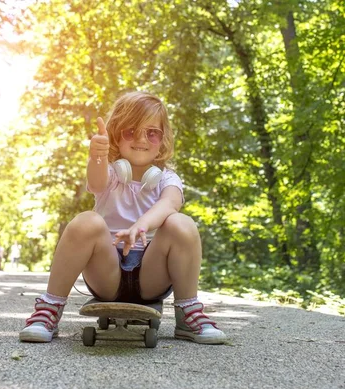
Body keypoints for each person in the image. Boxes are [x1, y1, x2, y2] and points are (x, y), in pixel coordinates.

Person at [19, 91, 227, 345]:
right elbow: (95, 183)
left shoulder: (167, 179)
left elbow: (170, 203)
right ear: (117, 134)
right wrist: (97, 154)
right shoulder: (111, 173)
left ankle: (188, 312)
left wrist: (141, 225)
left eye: (152, 133)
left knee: (181, 223)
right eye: (131, 131)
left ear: (162, 140)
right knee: (86, 220)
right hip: (108, 273)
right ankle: (49, 309)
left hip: (152, 275)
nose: (141, 139)